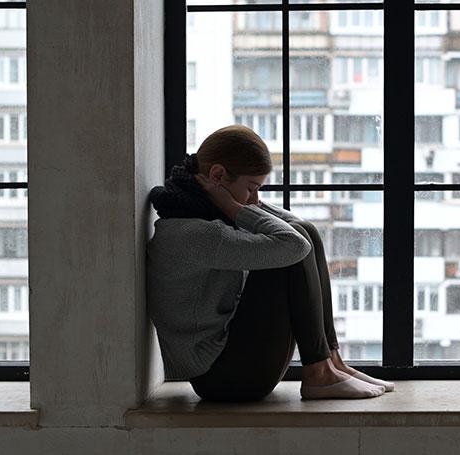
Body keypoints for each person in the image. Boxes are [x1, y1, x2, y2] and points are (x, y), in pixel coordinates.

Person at [147, 124, 395, 401]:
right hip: (223, 378)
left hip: (228, 366)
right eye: (251, 188)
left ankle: (332, 363)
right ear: (217, 175)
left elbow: (299, 228)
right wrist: (235, 207)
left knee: (306, 230)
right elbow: (294, 245)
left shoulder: (198, 214)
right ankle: (319, 374)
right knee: (292, 246)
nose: (255, 200)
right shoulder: (199, 233)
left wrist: (238, 203)